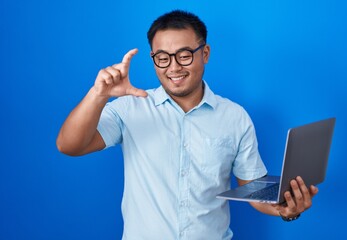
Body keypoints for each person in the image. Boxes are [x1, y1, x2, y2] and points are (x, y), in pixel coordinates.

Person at [57, 10, 319, 239]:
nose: (173, 68)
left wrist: (285, 209)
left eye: (184, 55)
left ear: (205, 53)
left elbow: (252, 188)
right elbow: (69, 145)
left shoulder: (235, 117)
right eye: (162, 57)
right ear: (153, 59)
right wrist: (98, 95)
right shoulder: (130, 108)